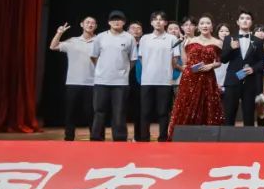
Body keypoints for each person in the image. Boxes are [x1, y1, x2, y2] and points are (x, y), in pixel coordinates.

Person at [168, 14, 224, 139]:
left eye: (208, 23)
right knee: (187, 105)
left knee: (207, 106)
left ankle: (207, 137)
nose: (205, 25)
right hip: (190, 78)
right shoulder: (189, 41)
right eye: (202, 23)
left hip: (208, 78)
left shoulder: (218, 42)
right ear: (198, 27)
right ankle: (184, 136)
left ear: (212, 27)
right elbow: (185, 61)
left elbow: (219, 62)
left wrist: (211, 66)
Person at [90, 10, 137, 142]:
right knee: (99, 111)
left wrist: (123, 71)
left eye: (119, 19)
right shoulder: (100, 37)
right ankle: (96, 138)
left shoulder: (129, 38)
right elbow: (94, 56)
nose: (116, 22)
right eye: (113, 19)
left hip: (121, 82)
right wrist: (102, 69)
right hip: (101, 80)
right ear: (108, 22)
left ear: (124, 22)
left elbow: (133, 59)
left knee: (119, 112)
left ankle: (120, 139)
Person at [49, 16, 98, 141]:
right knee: (71, 112)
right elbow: (53, 46)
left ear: (96, 26)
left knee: (91, 113)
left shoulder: (99, 41)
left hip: (93, 83)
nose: (90, 25)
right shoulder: (73, 41)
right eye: (87, 22)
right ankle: (69, 137)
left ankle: (95, 137)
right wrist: (59, 33)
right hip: (73, 82)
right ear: (82, 24)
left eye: (93, 23)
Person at [220, 10, 264, 127]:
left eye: (248, 18)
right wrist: (230, 48)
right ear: (237, 22)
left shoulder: (258, 41)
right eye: (242, 18)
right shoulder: (229, 38)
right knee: (229, 115)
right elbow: (223, 59)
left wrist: (253, 69)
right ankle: (227, 138)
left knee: (249, 116)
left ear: (251, 22)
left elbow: (262, 62)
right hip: (232, 81)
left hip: (250, 82)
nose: (245, 20)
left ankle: (248, 139)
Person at [137, 11, 176, 142]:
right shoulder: (145, 38)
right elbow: (141, 58)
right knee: (145, 111)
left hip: (165, 81)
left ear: (166, 23)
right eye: (155, 19)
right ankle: (144, 138)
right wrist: (150, 69)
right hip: (147, 80)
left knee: (163, 112)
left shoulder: (172, 38)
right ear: (151, 22)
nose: (158, 22)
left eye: (161, 19)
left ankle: (163, 138)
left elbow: (175, 59)